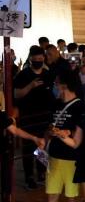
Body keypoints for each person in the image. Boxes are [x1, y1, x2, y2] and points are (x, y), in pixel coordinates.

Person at [36, 71, 85, 202]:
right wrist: (47, 137)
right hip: (54, 156)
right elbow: (50, 126)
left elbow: (79, 136)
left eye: (57, 84)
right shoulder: (56, 104)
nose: (55, 87)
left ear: (64, 85)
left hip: (72, 158)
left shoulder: (80, 107)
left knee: (72, 197)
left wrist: (66, 133)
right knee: (52, 195)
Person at [13, 45, 55, 189]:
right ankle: (29, 176)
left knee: (42, 144)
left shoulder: (48, 74)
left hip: (45, 116)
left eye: (40, 58)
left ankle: (42, 172)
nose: (38, 60)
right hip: (28, 117)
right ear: (30, 59)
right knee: (28, 147)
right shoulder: (23, 75)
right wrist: (30, 86)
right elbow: (16, 94)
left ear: (43, 58)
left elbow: (54, 93)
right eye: (35, 58)